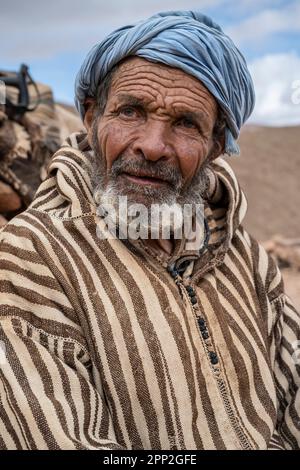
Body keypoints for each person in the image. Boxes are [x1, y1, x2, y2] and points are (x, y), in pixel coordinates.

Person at [0, 10, 299, 450]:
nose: (152, 146)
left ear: (216, 145)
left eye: (185, 123)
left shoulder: (239, 252)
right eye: (130, 111)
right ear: (91, 117)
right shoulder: (32, 256)